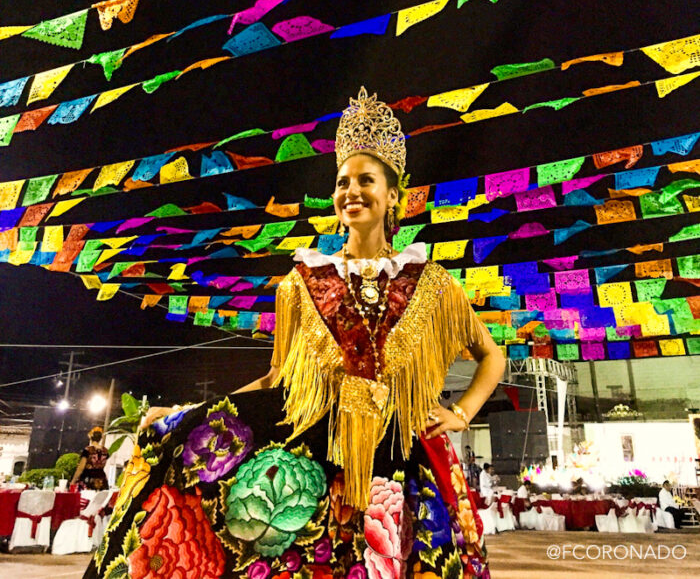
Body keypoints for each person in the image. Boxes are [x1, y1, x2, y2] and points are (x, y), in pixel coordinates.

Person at [85, 88, 505, 578]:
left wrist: (460, 412)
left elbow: (490, 356)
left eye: (366, 180)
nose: (352, 191)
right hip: (320, 462)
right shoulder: (301, 284)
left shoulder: (431, 284)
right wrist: (187, 416)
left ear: (394, 196)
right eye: (343, 181)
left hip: (403, 464)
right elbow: (276, 379)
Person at [71, 426, 109, 491]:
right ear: (100, 438)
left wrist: (73, 481)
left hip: (88, 478)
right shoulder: (105, 451)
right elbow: (103, 465)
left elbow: (81, 468)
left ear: (91, 437)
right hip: (101, 479)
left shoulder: (88, 450)